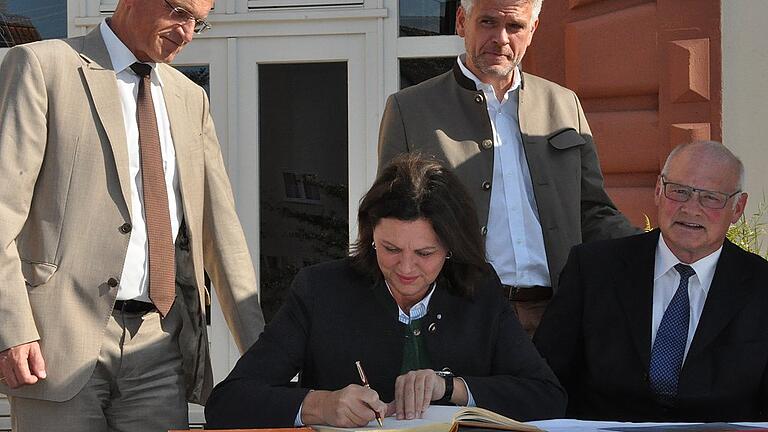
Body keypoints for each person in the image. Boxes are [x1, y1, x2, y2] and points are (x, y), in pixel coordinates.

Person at [0, 0, 265, 430]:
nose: (188, 34)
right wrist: (11, 329)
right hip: (55, 343)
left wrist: (262, 357)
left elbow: (221, 234)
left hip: (160, 345)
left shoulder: (189, 97)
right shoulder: (42, 66)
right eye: (179, 12)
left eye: (199, 22)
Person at [204, 154, 566, 429]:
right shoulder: (321, 290)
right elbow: (228, 400)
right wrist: (320, 405)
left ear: (452, 248)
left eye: (425, 253)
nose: (406, 269)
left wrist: (449, 387)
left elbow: (547, 396)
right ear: (370, 237)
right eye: (390, 249)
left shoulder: (479, 289)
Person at [378, 0, 638, 336]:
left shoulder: (563, 104)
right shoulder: (409, 109)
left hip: (557, 315)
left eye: (514, 26)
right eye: (487, 22)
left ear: (533, 30)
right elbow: (389, 221)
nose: (500, 38)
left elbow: (593, 211)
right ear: (461, 22)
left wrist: (657, 250)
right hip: (460, 316)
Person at [534, 141, 768, 421]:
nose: (691, 209)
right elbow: (545, 379)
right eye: (679, 191)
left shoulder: (760, 286)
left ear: (738, 208)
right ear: (659, 190)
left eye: (711, 197)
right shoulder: (594, 269)